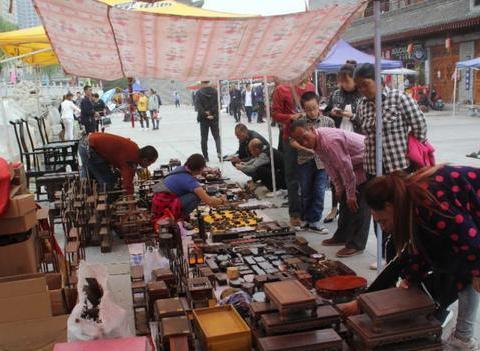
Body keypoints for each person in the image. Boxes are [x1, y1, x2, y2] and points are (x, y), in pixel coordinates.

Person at [351, 165, 479, 350]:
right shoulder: (409, 201)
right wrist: (411, 277)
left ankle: (463, 340)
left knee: (468, 269)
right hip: (470, 231)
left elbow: (471, 241)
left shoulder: (428, 201)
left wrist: (477, 271)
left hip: (473, 233)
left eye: (382, 221)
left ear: (388, 206)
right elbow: (422, 247)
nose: (384, 228)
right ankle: (463, 338)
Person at [353, 62, 427, 265]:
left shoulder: (399, 98)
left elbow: (420, 127)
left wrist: (406, 147)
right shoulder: (361, 105)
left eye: (365, 84)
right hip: (372, 169)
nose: (361, 90)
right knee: (379, 214)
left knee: (402, 213)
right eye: (358, 86)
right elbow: (362, 130)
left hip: (399, 168)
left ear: (378, 80)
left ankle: (407, 256)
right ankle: (386, 256)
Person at [290, 119, 371, 258]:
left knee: (358, 202)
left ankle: (357, 244)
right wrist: (339, 188)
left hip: (366, 160)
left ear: (310, 128)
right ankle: (342, 236)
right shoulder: (317, 143)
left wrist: (350, 194)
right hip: (352, 163)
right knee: (345, 200)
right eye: (299, 140)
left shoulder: (329, 141)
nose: (303, 142)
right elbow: (330, 166)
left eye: (304, 137)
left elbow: (346, 169)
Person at [272, 76, 315, 228]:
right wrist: (291, 117)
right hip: (290, 138)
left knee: (310, 176)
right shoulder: (281, 89)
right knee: (292, 178)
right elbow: (275, 115)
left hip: (309, 137)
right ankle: (295, 213)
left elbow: (315, 108)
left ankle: (310, 213)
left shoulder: (311, 86)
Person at [323, 61, 364, 224]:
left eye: (346, 81)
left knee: (354, 174)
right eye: (341, 81)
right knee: (336, 174)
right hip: (337, 138)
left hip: (356, 140)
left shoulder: (362, 95)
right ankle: (335, 208)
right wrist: (332, 112)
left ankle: (354, 205)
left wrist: (349, 115)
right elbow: (327, 111)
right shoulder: (336, 94)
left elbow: (366, 120)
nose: (344, 85)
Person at [290, 92, 334, 233]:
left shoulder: (328, 122)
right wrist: (305, 149)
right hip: (304, 161)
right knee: (305, 191)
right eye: (308, 109)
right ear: (303, 109)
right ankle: (305, 220)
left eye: (315, 108)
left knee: (319, 191)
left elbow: (333, 141)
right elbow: (292, 141)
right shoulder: (300, 122)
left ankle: (314, 221)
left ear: (319, 105)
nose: (312, 112)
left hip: (322, 163)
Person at [151, 154, 226, 222]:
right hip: (164, 207)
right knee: (195, 196)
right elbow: (209, 201)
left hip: (157, 203)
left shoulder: (180, 168)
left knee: (194, 192)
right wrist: (222, 200)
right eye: (202, 169)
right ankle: (178, 219)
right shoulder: (190, 181)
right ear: (199, 169)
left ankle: (177, 217)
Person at [78, 132, 158, 194]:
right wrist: (130, 200)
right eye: (150, 163)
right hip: (89, 148)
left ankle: (86, 189)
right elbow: (127, 185)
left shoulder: (134, 148)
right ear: (145, 160)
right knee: (108, 183)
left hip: (87, 143)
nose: (148, 166)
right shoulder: (130, 160)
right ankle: (103, 205)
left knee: (94, 177)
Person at [195, 81, 221, 162]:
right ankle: (219, 153)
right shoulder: (215, 91)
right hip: (214, 118)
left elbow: (198, 106)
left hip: (203, 119)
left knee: (204, 138)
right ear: (209, 82)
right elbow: (218, 104)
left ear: (202, 83)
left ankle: (206, 157)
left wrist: (205, 114)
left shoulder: (199, 92)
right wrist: (211, 113)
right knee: (217, 137)